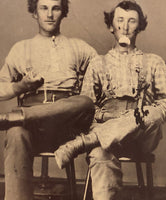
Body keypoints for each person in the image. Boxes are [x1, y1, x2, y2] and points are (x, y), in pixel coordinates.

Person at [54, 1, 166, 199]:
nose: (125, 27)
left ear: (140, 26)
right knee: (99, 155)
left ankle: (82, 143)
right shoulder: (97, 64)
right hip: (106, 135)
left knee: (151, 112)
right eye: (120, 20)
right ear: (111, 26)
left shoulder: (154, 62)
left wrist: (136, 117)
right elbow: (86, 108)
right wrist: (110, 117)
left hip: (141, 137)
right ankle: (92, 142)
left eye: (132, 21)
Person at [0, 0, 97, 199]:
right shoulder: (21, 48)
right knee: (15, 134)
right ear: (35, 13)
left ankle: (16, 117)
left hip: (67, 128)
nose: (50, 14)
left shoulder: (78, 47)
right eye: (44, 8)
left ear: (63, 13)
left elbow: (105, 74)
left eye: (56, 8)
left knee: (86, 102)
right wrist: (22, 86)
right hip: (32, 129)